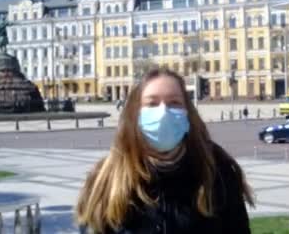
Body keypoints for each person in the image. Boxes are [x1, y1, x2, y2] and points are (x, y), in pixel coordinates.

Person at [76, 68, 254, 233]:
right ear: (134, 114)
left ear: (187, 112)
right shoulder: (107, 179)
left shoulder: (217, 172)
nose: (163, 112)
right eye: (152, 103)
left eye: (174, 103)